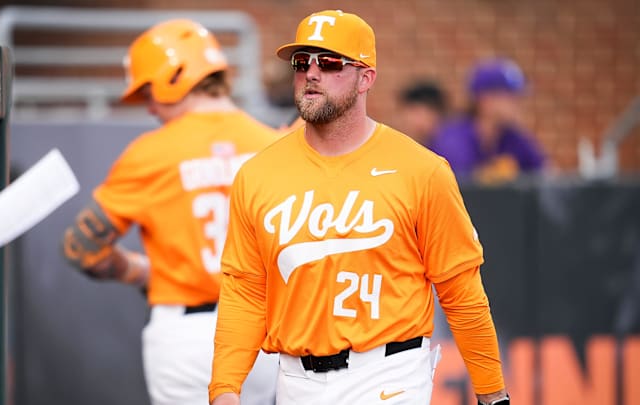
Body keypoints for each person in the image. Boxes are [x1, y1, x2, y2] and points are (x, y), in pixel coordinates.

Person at [209, 10, 509, 405]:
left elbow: (461, 291)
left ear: (366, 77)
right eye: (302, 63)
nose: (311, 74)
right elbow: (245, 289)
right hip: (295, 378)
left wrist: (493, 395)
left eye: (330, 62)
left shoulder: (422, 169)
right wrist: (224, 388)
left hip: (389, 373)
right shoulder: (258, 173)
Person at [61, 20, 278, 405]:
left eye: (149, 91)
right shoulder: (276, 145)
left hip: (187, 337)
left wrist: (140, 270)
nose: (148, 106)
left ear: (174, 78)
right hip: (265, 332)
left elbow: (81, 248)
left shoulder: (150, 153)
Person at [431, 58, 545, 183]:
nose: (518, 104)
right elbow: (458, 184)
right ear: (485, 100)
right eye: (510, 97)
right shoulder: (454, 138)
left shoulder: (513, 138)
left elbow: (547, 177)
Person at [396, 80, 448, 147]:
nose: (420, 122)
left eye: (427, 116)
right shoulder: (395, 145)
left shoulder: (446, 149)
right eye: (416, 113)